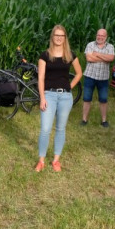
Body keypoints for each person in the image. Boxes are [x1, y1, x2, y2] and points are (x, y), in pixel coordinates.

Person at [35, 25, 82, 172]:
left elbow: (79, 73)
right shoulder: (45, 56)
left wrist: (69, 87)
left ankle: (56, 160)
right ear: (52, 37)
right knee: (45, 129)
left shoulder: (70, 55)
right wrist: (42, 98)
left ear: (65, 38)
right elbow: (41, 78)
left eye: (62, 35)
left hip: (65, 97)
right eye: (56, 35)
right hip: (49, 95)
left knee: (61, 128)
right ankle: (41, 160)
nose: (59, 38)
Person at [80, 28, 115, 127]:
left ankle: (104, 121)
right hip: (90, 76)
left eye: (102, 36)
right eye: (98, 35)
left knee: (103, 99)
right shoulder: (90, 45)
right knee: (87, 98)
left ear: (106, 37)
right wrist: (104, 58)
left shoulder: (110, 47)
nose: (100, 37)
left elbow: (111, 58)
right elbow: (89, 58)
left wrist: (97, 54)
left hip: (103, 78)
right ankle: (84, 120)